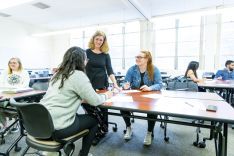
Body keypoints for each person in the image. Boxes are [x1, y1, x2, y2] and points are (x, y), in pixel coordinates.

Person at [40, 47, 113, 156]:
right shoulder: (78, 75)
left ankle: (50, 151)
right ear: (82, 60)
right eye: (86, 59)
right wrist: (107, 95)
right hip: (58, 127)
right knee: (93, 121)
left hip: (40, 124)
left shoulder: (57, 74)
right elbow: (95, 101)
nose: (87, 61)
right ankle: (84, 154)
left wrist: (79, 98)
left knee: (79, 116)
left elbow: (64, 94)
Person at [84, 30, 120, 145]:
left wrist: (115, 84)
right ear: (93, 39)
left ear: (103, 41)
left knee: (102, 108)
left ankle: (103, 130)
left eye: (101, 40)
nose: (99, 41)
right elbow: (80, 67)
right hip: (88, 83)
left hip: (101, 84)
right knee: (89, 106)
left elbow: (110, 70)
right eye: (97, 39)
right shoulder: (86, 53)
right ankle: (92, 127)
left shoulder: (105, 55)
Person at [121, 50, 163, 146]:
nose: (137, 59)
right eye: (136, 57)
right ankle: (128, 127)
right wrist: (125, 85)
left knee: (152, 110)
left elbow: (160, 84)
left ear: (147, 59)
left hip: (150, 96)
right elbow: (124, 83)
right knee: (122, 107)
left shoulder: (154, 69)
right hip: (135, 96)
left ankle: (149, 132)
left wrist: (150, 88)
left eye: (140, 57)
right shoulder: (132, 69)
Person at [0, 57, 30, 132]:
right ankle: (5, 126)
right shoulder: (5, 72)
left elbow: (25, 85)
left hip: (18, 94)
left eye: (14, 62)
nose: (12, 64)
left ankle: (16, 124)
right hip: (5, 93)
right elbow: (1, 83)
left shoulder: (24, 72)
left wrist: (15, 89)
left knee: (5, 105)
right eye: (10, 62)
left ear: (19, 64)